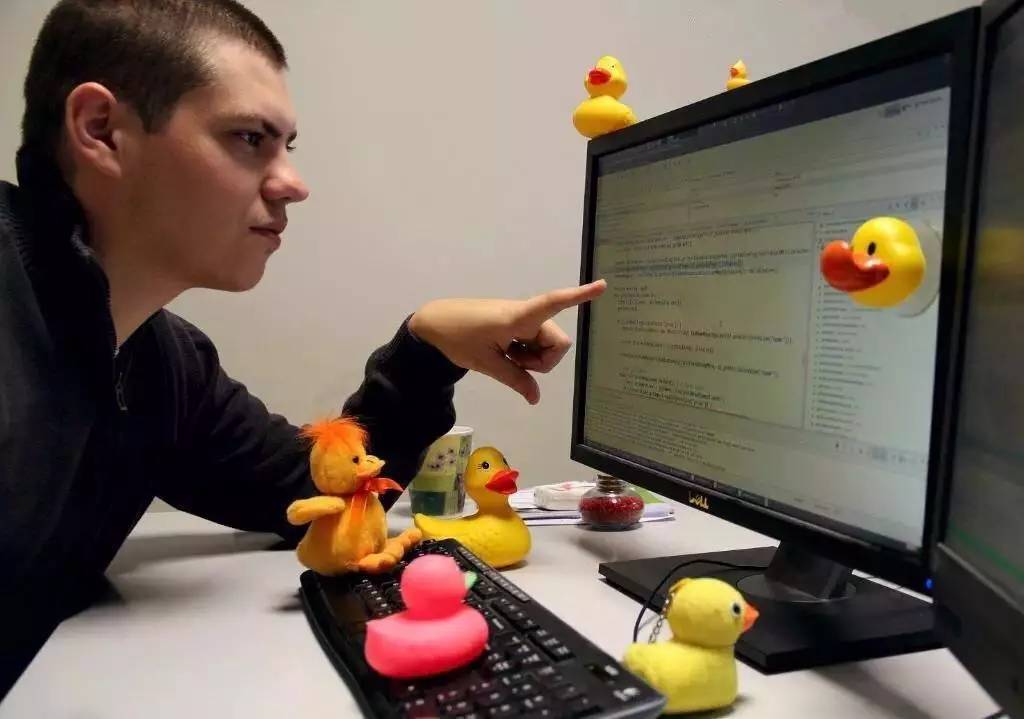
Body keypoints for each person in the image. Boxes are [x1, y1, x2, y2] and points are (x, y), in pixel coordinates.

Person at [0, 0, 605, 694]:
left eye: (288, 145)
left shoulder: (160, 363)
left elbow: (313, 489)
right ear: (101, 130)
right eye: (249, 138)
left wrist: (428, 347)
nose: (294, 182)